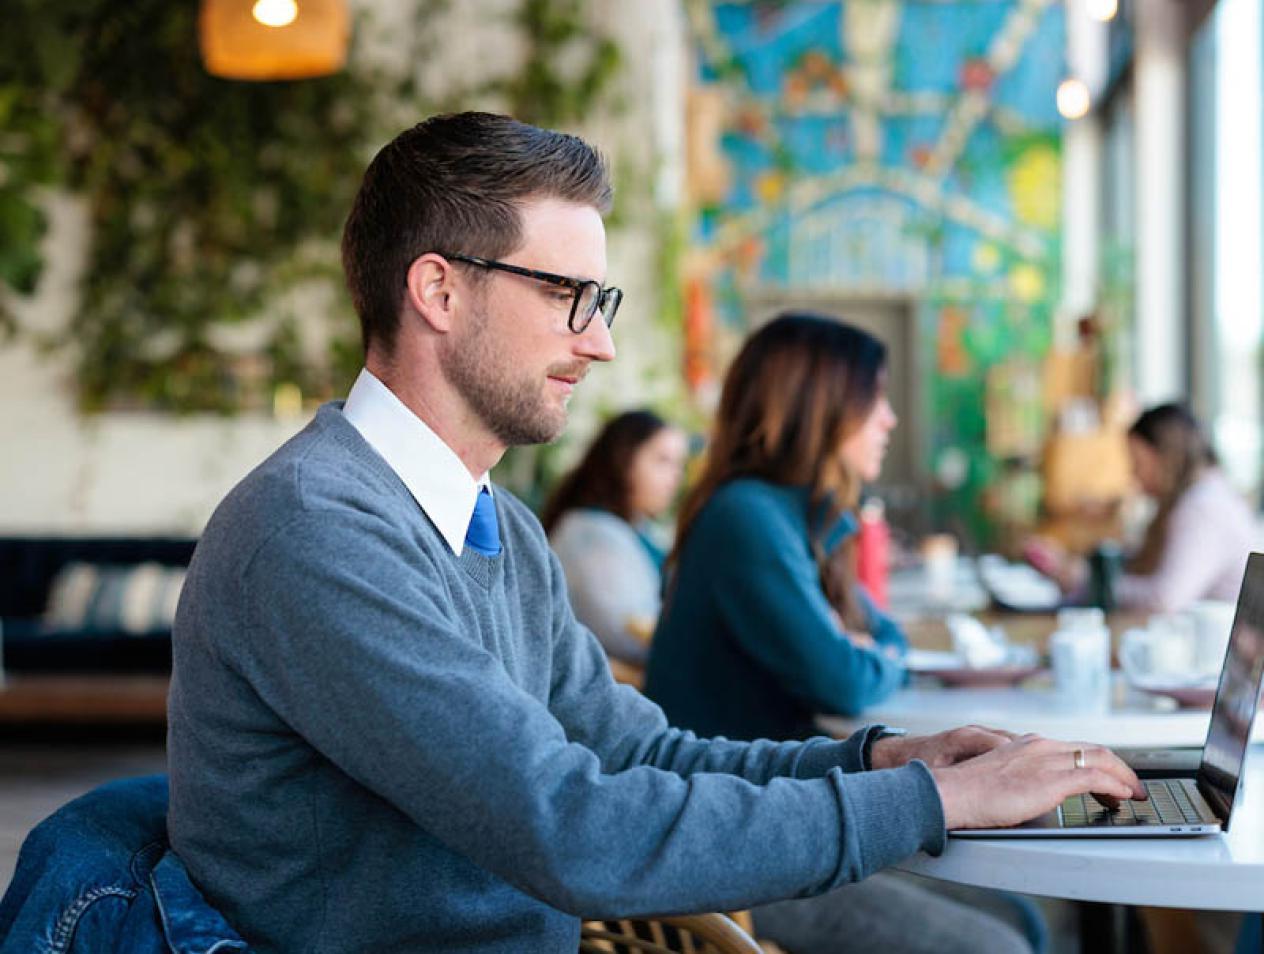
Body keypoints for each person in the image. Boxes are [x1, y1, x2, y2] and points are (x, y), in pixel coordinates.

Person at [167, 112, 1143, 954]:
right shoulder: (314, 533)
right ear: (438, 291)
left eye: (601, 303)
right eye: (565, 296)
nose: (598, 341)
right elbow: (575, 828)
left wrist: (877, 763)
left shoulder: (496, 525)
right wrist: (934, 805)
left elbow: (641, 756)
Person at [644, 313, 1046, 953]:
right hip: (742, 852)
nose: (888, 419)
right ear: (820, 407)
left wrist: (869, 647)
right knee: (998, 943)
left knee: (1023, 918)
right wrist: (870, 652)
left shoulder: (796, 520)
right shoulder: (746, 518)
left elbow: (884, 639)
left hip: (793, 813)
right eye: (874, 399)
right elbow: (846, 677)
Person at [1026, 403, 1258, 612]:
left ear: (1165, 457)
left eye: (1138, 463)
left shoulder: (1204, 506)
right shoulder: (1202, 496)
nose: (1134, 476)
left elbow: (1163, 600)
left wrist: (1088, 581)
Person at [542, 409, 688, 666]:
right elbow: (627, 636)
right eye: (662, 461)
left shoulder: (636, 528)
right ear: (624, 458)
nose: (675, 477)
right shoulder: (591, 534)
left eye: (679, 465)